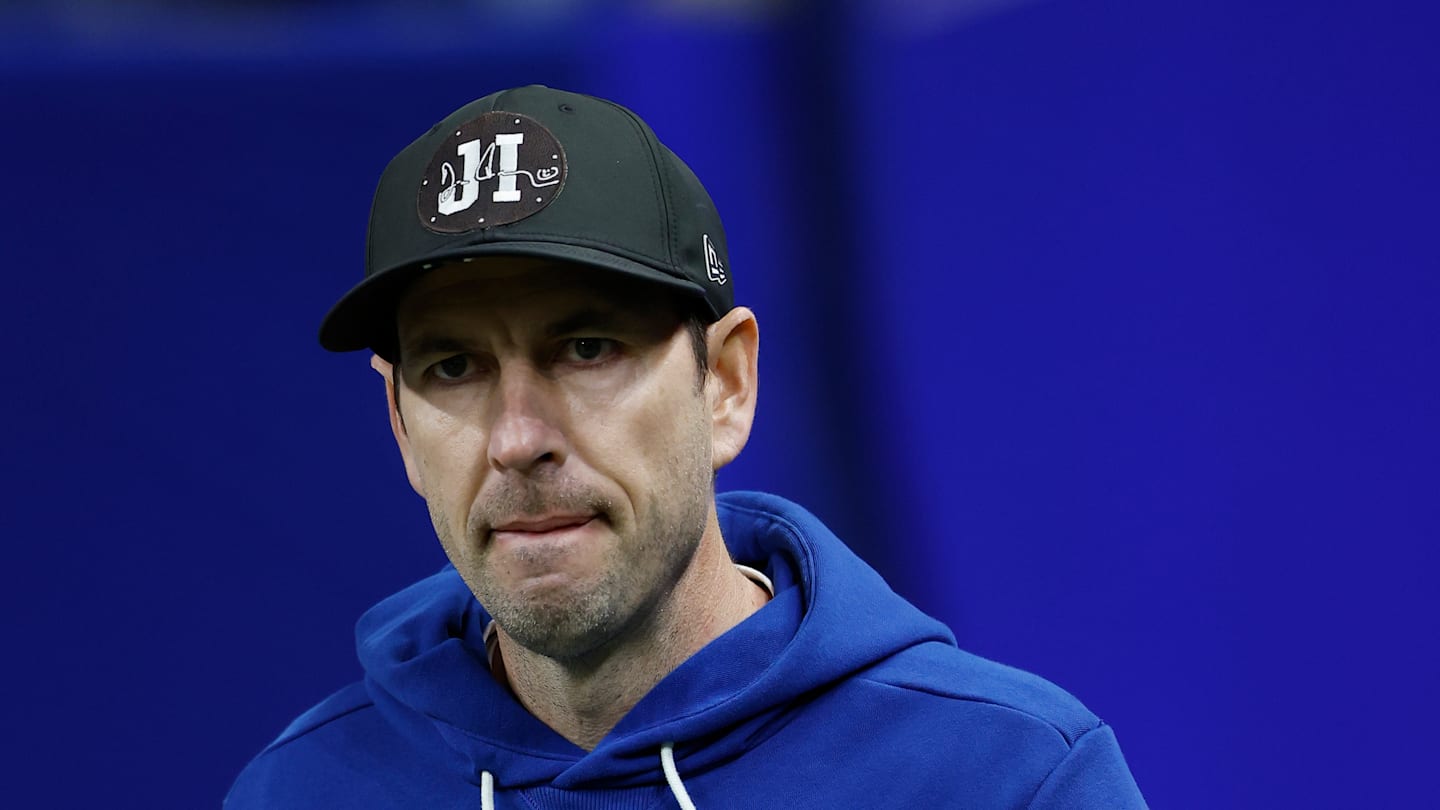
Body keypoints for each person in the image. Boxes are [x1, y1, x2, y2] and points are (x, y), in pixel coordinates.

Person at [227, 85, 1147, 809]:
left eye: (586, 349)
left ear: (728, 385)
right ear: (399, 424)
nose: (516, 439)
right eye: (454, 366)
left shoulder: (1002, 780)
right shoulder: (300, 790)